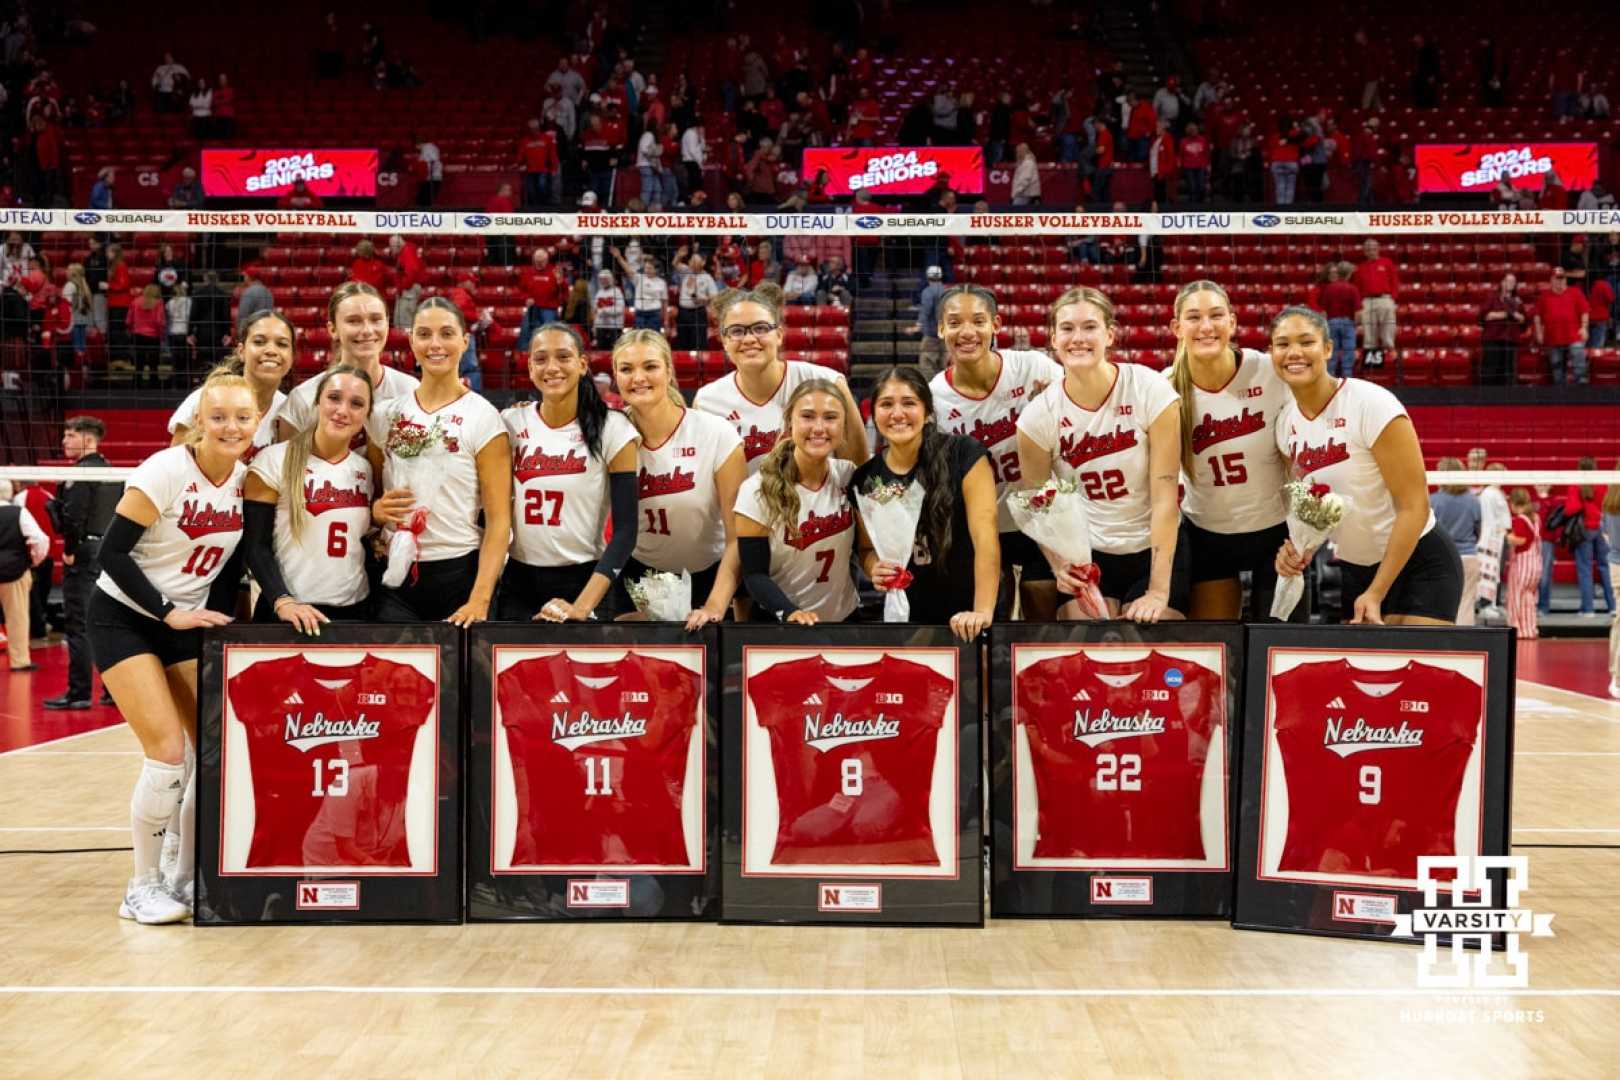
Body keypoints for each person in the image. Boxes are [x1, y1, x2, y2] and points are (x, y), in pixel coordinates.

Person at [90, 367, 258, 923]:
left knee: (210, 753)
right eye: (218, 417)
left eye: (241, 417)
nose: (229, 427)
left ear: (256, 422)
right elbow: (110, 556)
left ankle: (184, 877)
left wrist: (222, 621)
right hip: (125, 617)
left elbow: (234, 566)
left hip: (186, 623)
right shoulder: (164, 470)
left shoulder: (245, 481)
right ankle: (140, 886)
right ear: (197, 423)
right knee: (167, 753)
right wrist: (166, 611)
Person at [1271, 306, 1462, 625]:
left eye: (1306, 342)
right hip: (1354, 569)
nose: (1294, 353)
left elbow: (1414, 506)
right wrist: (1299, 549)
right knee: (1369, 673)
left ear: (1328, 348)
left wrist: (1377, 591)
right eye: (1282, 343)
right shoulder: (1285, 423)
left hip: (1417, 562)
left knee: (1417, 671)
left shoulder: (1371, 403)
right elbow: (1316, 505)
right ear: (1271, 353)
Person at [1017, 286, 1185, 623]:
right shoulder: (1038, 416)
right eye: (1067, 328)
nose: (1078, 337)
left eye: (1089, 327)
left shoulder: (1150, 390)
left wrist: (1157, 591)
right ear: (1053, 338)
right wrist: (1059, 565)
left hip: (1154, 546)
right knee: (1087, 637)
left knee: (1154, 631)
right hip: (1088, 553)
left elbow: (1166, 494)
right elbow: (1038, 504)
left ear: (1109, 335)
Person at [369, 299, 509, 625]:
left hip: (458, 572)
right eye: (424, 334)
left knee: (458, 675)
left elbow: (500, 521)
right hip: (395, 574)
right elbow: (373, 493)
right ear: (411, 341)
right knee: (400, 675)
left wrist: (480, 599)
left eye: (446, 333)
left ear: (464, 341)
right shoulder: (385, 414)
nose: (435, 344)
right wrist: (376, 514)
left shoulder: (484, 417)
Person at [928, 284, 1064, 620]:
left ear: (996, 325)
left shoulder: (1036, 368)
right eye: (955, 323)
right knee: (991, 620)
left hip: (1040, 520)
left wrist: (1056, 403)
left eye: (978, 321)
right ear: (941, 329)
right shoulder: (934, 398)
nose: (967, 332)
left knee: (1042, 603)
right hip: (981, 528)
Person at [1166, 281, 1291, 620]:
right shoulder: (1165, 389)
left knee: (1277, 648)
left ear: (1233, 323)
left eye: (1216, 316)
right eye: (1194, 317)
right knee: (1218, 649)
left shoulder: (1271, 372)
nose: (1206, 327)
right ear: (1177, 328)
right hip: (1208, 534)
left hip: (1277, 534)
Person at [497, 323, 638, 622]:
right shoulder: (509, 421)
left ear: (582, 364)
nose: (552, 367)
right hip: (519, 579)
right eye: (541, 359)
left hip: (586, 579)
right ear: (530, 367)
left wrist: (583, 607)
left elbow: (626, 532)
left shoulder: (613, 427)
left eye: (563, 357)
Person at [612, 329, 745, 627]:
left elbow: (739, 537)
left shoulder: (715, 432)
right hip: (639, 575)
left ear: (669, 371)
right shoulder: (611, 435)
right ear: (615, 377)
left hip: (710, 575)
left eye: (650, 366)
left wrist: (714, 604)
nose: (638, 378)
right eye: (626, 369)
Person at [853, 367, 998, 640]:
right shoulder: (865, 479)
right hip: (907, 614)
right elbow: (866, 549)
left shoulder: (964, 453)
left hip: (968, 613)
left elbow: (986, 536)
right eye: (886, 404)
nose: (897, 414)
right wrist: (875, 567)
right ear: (873, 414)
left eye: (909, 403)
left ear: (928, 411)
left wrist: (981, 611)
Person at [243, 365, 375, 626]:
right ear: (317, 402)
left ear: (367, 415)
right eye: (334, 398)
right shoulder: (273, 459)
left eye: (356, 403)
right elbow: (254, 545)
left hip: (354, 613)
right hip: (288, 612)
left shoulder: (364, 469)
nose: (342, 410)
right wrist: (283, 599)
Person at [694, 282, 867, 473]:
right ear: (724, 341)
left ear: (779, 335)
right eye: (736, 331)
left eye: (760, 328)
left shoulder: (827, 382)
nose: (749, 339)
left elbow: (860, 471)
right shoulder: (706, 402)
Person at [735, 378, 858, 624]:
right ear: (790, 423)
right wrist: (790, 613)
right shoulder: (756, 490)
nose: (819, 427)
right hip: (781, 624)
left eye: (831, 418)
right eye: (808, 417)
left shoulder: (850, 475)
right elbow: (754, 575)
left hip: (845, 620)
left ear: (844, 427)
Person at [45, 417, 123, 711]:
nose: (64, 441)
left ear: (88, 440)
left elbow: (74, 517)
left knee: (78, 625)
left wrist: (70, 549)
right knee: (106, 622)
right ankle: (113, 691)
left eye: (69, 435)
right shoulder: (114, 472)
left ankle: (78, 693)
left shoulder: (80, 474)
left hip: (84, 552)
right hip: (108, 550)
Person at [277, 281, 418, 439]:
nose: (367, 330)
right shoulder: (304, 398)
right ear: (333, 329)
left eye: (376, 319)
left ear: (387, 323)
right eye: (354, 321)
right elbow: (286, 462)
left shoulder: (410, 391)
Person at [170, 310, 294, 462]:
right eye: (259, 342)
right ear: (241, 351)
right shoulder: (205, 398)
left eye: (282, 344)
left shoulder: (290, 411)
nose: (271, 351)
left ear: (292, 356)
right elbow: (174, 470)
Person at [0, 480, 49, 671]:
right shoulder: (18, 512)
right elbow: (40, 539)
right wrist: (33, 561)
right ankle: (20, 661)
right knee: (17, 617)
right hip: (14, 571)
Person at [1430, 458, 1483, 624]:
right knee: (1466, 604)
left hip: (1442, 558)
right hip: (1468, 557)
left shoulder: (1433, 500)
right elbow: (1478, 530)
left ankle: (1441, 643)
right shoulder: (1474, 501)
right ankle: (1465, 644)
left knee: (1440, 604)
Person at [1564, 457, 1615, 616]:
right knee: (1605, 568)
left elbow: (1571, 509)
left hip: (1584, 530)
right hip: (1602, 528)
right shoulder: (1602, 484)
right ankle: (1613, 606)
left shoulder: (1576, 485)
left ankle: (1588, 609)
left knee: (1585, 570)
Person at [1533, 268, 1589, 385]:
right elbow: (1537, 316)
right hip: (1553, 336)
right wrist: (1539, 332)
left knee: (1578, 359)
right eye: (1557, 279)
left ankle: (1580, 387)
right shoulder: (1544, 296)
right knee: (1556, 365)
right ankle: (1560, 390)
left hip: (1573, 334)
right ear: (1551, 280)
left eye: (1562, 279)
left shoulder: (1575, 292)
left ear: (1566, 279)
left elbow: (1585, 311)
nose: (1560, 282)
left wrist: (1584, 328)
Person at [1351, 239, 1399, 369]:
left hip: (1385, 298)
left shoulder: (1387, 263)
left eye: (1373, 248)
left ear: (1378, 249)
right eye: (1368, 249)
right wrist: (1359, 305)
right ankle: (1372, 363)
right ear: (1364, 251)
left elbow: (1394, 281)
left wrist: (1393, 299)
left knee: (1387, 327)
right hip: (1367, 301)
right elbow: (1357, 287)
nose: (1371, 251)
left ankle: (1390, 354)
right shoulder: (1360, 268)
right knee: (1369, 330)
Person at [1505, 488, 1542, 641]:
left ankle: (1517, 630)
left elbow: (1520, 540)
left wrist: (1506, 536)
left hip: (1522, 566)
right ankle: (1529, 629)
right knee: (1529, 599)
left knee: (1515, 599)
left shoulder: (1519, 519)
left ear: (1513, 503)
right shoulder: (1535, 517)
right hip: (1535, 565)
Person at [1480, 272, 1528, 386]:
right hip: (1493, 339)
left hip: (1510, 340)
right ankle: (1487, 398)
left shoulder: (1518, 301)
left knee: (1508, 371)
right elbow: (1485, 316)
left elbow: (1523, 320)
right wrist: (1508, 314)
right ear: (1502, 283)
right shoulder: (1492, 297)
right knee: (1490, 369)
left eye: (1513, 282)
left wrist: (1516, 315)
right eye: (1508, 281)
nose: (1510, 284)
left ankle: (1508, 399)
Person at [517, 247, 565, 352]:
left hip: (549, 308)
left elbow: (565, 293)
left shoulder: (554, 271)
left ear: (547, 260)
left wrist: (560, 282)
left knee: (548, 331)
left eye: (542, 261)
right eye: (537, 261)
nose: (539, 263)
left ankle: (549, 351)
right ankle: (523, 354)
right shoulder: (528, 272)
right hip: (532, 307)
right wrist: (526, 298)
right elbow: (521, 290)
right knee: (525, 330)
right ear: (534, 260)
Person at [1318, 262, 1361, 377]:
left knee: (1332, 352)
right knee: (1348, 351)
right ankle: (1347, 378)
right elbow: (1357, 312)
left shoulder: (1329, 288)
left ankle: (1330, 378)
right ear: (1349, 274)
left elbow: (1323, 311)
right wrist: (1357, 324)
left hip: (1332, 322)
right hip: (1348, 322)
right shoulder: (1353, 289)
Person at [675, 253, 718, 351]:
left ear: (703, 263)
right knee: (682, 341)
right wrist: (679, 255)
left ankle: (699, 364)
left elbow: (714, 296)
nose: (693, 264)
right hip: (683, 313)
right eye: (691, 261)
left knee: (699, 342)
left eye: (696, 262)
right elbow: (675, 264)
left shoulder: (707, 277)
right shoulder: (686, 271)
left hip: (698, 313)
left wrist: (701, 298)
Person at [1602, 474, 1620, 697]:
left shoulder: (1609, 503)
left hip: (1615, 564)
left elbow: (1605, 534)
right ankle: (1616, 676)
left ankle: (1616, 675)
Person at [912, 265, 946, 377]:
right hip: (945, 334)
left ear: (927, 277)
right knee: (943, 365)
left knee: (927, 364)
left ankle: (931, 391)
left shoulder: (927, 292)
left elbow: (926, 310)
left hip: (931, 335)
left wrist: (918, 325)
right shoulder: (947, 291)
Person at [589, 269, 626, 349]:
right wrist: (594, 326)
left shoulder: (617, 291)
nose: (603, 281)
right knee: (601, 350)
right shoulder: (599, 293)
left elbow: (620, 309)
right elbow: (595, 311)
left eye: (605, 279)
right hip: (601, 326)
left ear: (610, 279)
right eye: (601, 279)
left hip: (614, 327)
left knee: (615, 349)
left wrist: (604, 311)